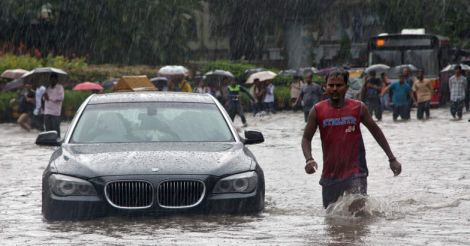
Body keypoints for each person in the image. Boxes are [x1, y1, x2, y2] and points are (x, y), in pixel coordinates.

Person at [301, 68, 402, 211]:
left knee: (358, 216)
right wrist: (309, 159)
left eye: (339, 85)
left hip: (356, 172)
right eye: (331, 85)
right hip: (330, 174)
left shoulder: (358, 108)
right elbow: (306, 138)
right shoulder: (317, 110)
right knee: (332, 218)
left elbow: (376, 131)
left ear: (346, 88)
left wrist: (391, 158)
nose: (334, 89)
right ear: (325, 87)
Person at [43, 73, 64, 138]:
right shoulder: (48, 88)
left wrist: (50, 98)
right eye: (51, 79)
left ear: (56, 80)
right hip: (47, 112)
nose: (52, 81)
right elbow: (45, 99)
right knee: (48, 131)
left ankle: (57, 142)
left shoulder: (60, 87)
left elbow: (61, 98)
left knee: (56, 131)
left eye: (53, 79)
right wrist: (45, 96)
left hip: (55, 113)